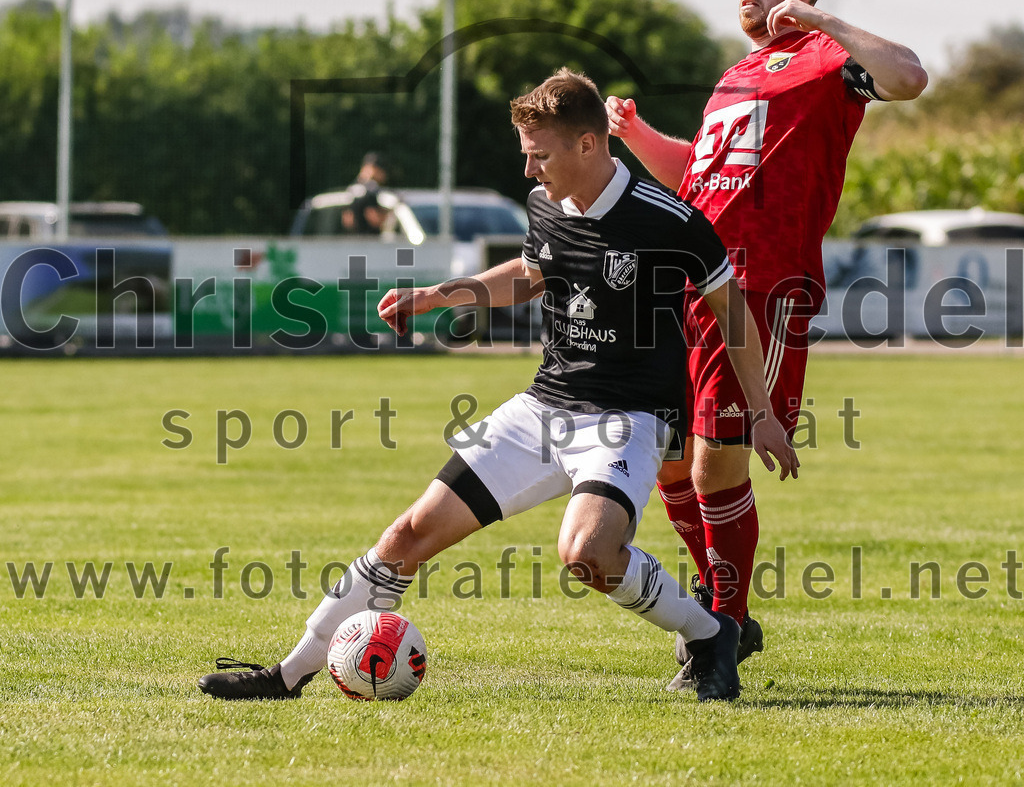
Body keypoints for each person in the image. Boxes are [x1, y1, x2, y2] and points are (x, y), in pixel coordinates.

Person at [198, 68, 798, 704]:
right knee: (406, 536)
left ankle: (712, 636)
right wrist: (437, 296)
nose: (529, 171)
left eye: (539, 155)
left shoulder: (669, 221)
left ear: (589, 145)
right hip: (543, 407)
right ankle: (287, 675)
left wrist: (760, 412)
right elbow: (531, 272)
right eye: (525, 154)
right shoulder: (546, 206)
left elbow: (734, 315)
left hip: (627, 419)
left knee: (588, 552)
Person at [605, 0, 928, 689]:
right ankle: (729, 615)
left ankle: (717, 638)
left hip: (762, 286)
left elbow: (912, 75)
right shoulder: (736, 75)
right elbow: (701, 171)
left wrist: (822, 24)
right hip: (691, 281)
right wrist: (639, 135)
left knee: (718, 458)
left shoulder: (827, 60)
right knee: (672, 463)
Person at [342, 152, 391, 234]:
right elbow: (374, 219)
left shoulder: (352, 189)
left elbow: (347, 220)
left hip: (353, 240)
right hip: (370, 240)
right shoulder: (369, 191)